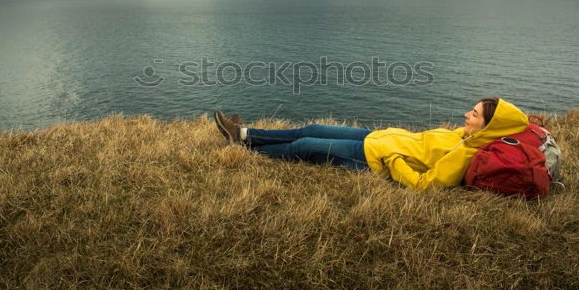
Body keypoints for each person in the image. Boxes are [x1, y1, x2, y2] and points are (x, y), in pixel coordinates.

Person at [214, 97, 530, 190]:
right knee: (312, 127)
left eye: (473, 115)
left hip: (371, 157)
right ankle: (243, 134)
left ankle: (246, 147)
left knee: (306, 145)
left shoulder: (464, 153)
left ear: (488, 126)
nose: (466, 115)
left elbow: (425, 184)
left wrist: (393, 160)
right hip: (372, 137)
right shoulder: (465, 135)